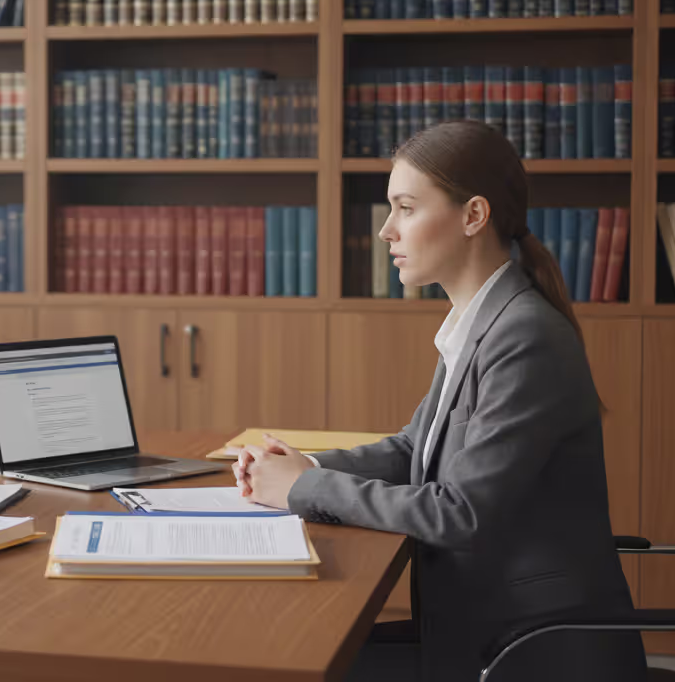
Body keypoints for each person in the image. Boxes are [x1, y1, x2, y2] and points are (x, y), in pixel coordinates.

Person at [233, 121, 646, 682]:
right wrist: (306, 467)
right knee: (290, 649)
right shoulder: (478, 322)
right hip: (478, 624)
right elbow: (415, 449)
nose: (386, 231)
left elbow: (461, 512)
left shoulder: (523, 335)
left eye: (405, 208)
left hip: (526, 648)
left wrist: (305, 489)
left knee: (289, 659)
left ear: (474, 216)